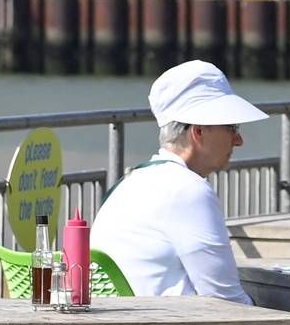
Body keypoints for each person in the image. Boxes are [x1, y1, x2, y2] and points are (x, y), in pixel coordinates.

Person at [91, 60, 268, 304]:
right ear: (198, 132)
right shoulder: (188, 190)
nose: (238, 140)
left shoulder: (131, 182)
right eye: (231, 127)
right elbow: (226, 300)